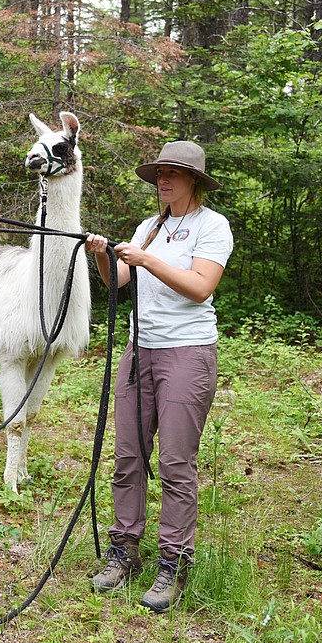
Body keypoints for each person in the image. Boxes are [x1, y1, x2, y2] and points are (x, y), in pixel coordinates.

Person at [84, 140, 233, 613]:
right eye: (159, 174)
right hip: (139, 352)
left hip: (186, 355)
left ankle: (173, 561)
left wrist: (147, 260)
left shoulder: (212, 227)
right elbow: (119, 283)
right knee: (128, 455)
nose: (163, 180)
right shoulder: (150, 226)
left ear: (194, 181)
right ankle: (124, 549)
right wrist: (104, 255)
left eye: (174, 173)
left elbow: (200, 288)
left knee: (174, 461)